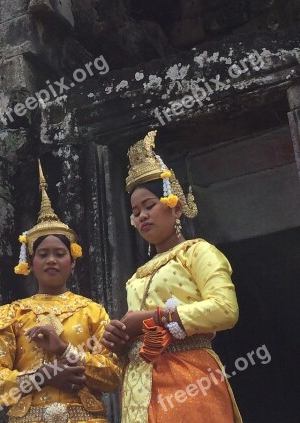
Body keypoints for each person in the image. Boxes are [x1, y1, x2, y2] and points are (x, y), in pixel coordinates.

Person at [101, 130, 243, 423]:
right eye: (135, 211)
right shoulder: (136, 277)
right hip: (140, 386)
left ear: (175, 206)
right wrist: (119, 342)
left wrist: (154, 317)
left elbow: (225, 310)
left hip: (189, 376)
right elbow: (136, 336)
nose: (141, 216)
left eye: (149, 205)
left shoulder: (197, 252)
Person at [0, 161, 121, 423]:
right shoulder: (9, 315)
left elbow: (112, 376)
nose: (51, 260)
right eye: (43, 254)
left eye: (59, 254)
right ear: (31, 264)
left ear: (73, 261)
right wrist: (44, 377)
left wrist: (65, 350)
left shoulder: (92, 311)